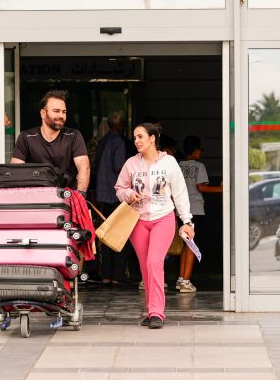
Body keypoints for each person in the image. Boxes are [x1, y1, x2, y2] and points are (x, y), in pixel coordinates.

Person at [115, 122, 194, 329]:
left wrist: (187, 221)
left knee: (154, 262)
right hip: (138, 220)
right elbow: (119, 188)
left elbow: (180, 193)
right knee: (145, 267)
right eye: (134, 137)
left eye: (140, 136)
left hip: (163, 218)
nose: (136, 141)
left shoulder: (169, 162)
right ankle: (152, 311)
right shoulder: (131, 163)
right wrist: (128, 194)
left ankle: (157, 312)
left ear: (152, 138)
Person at [11, 90, 90, 194]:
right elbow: (16, 171)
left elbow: (84, 167)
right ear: (43, 113)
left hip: (66, 197)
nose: (61, 115)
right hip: (35, 197)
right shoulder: (26, 137)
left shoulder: (73, 135)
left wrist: (80, 195)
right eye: (56, 111)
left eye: (64, 112)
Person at [177, 135, 222, 294]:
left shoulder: (177, 165)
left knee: (185, 244)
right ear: (195, 151)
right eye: (200, 150)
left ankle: (181, 278)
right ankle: (186, 281)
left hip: (180, 209)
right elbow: (201, 187)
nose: (201, 153)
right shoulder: (199, 166)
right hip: (195, 208)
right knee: (192, 244)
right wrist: (221, 189)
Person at [94, 111, 129, 285]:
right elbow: (119, 167)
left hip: (102, 194)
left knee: (106, 236)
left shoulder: (102, 141)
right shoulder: (118, 141)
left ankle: (106, 275)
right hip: (116, 195)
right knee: (119, 235)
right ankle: (117, 276)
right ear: (121, 125)